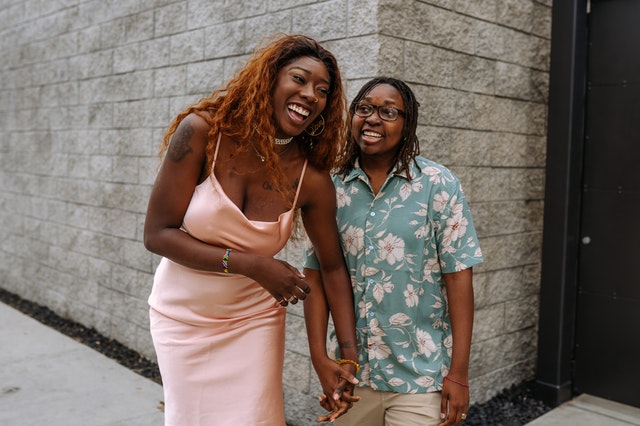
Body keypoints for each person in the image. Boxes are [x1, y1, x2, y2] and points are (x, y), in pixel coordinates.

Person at [143, 33, 359, 426]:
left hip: (252, 320)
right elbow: (157, 234)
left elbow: (332, 267)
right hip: (182, 316)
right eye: (299, 78)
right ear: (270, 81)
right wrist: (253, 265)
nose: (311, 94)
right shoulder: (203, 132)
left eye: (322, 90)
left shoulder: (310, 180)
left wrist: (345, 356)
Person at [304, 77, 484, 425]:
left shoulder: (438, 184)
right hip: (354, 376)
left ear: (407, 124)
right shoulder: (332, 187)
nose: (372, 119)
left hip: (420, 377)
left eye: (388, 112)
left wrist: (458, 373)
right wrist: (321, 358)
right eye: (364, 108)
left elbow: (459, 279)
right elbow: (317, 274)